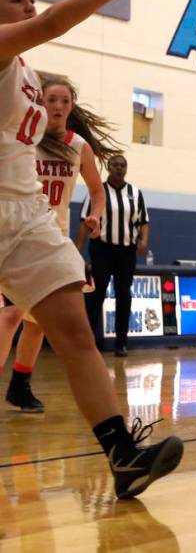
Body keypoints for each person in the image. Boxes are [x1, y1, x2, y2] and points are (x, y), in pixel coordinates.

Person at [0, 0, 183, 498]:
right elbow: (53, 22)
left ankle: (123, 455)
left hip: (28, 218)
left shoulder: (29, 75)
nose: (29, 5)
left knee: (76, 332)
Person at [0, 74, 121, 412]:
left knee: (38, 324)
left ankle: (20, 385)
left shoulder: (79, 146)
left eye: (64, 101)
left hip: (52, 239)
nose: (57, 106)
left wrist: (95, 215)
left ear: (71, 106)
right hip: (16, 236)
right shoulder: (25, 136)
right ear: (40, 101)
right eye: (51, 99)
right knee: (10, 316)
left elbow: (98, 192)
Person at [76, 153, 149, 356]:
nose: (119, 168)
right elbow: (84, 222)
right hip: (102, 250)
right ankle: (89, 343)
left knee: (124, 297)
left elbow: (144, 221)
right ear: (109, 167)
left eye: (122, 165)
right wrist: (77, 250)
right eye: (115, 164)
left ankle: (121, 344)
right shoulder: (96, 191)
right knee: (95, 296)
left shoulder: (136, 193)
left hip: (126, 252)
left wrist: (143, 240)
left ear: (126, 169)